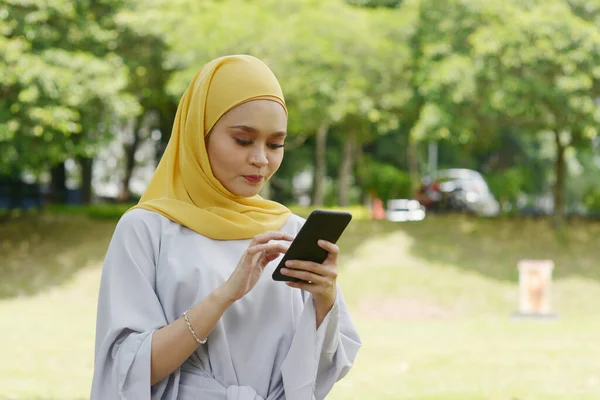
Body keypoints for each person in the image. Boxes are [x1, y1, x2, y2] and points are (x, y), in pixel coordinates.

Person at [90, 54, 361, 400]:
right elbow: (127, 371)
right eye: (243, 140)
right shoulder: (147, 229)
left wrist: (325, 301)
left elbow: (321, 374)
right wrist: (226, 294)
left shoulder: (289, 230)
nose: (261, 159)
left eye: (275, 144)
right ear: (198, 136)